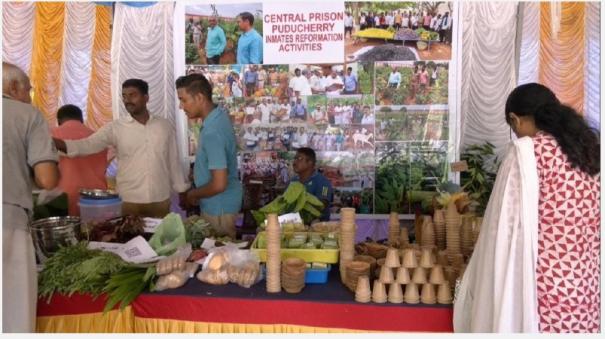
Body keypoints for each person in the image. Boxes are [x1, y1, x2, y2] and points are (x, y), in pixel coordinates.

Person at [454, 83, 600, 333]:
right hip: (588, 289)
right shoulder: (589, 154)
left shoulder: (527, 154)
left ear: (515, 120)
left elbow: (503, 230)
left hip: (543, 294)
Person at [54, 79, 189, 218]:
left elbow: (173, 161)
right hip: (129, 201)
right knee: (129, 239)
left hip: (160, 199)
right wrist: (58, 143)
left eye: (133, 95)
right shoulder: (115, 128)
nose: (127, 100)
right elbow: (87, 145)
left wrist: (182, 190)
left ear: (146, 98)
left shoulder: (164, 126)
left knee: (159, 239)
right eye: (124, 96)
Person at [3, 62, 59, 332]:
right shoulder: (26, 114)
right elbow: (47, 179)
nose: (30, 95)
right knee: (13, 314)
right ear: (13, 87)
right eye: (28, 89)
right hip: (7, 222)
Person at [176, 73, 243, 238]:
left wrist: (193, 194)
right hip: (220, 204)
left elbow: (219, 184)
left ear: (199, 97)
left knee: (219, 257)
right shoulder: (218, 117)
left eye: (183, 100)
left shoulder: (213, 131)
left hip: (219, 207)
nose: (181, 106)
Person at [51, 104, 108, 216]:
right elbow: (105, 168)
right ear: (81, 119)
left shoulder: (51, 136)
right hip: (96, 196)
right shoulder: (98, 137)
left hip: (63, 197)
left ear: (58, 121)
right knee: (96, 232)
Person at [290, 147, 333, 221]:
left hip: (319, 229)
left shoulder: (323, 183)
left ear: (310, 162)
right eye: (295, 159)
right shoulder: (292, 182)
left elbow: (321, 205)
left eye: (299, 159)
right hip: (294, 227)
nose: (294, 162)